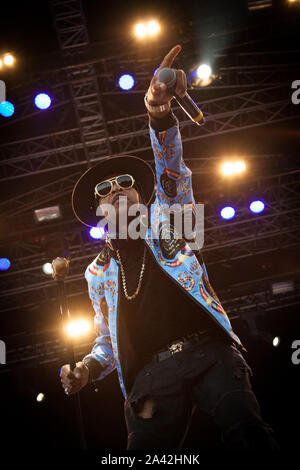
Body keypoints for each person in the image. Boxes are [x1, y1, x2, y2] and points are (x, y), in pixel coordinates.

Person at [60, 45, 279, 451]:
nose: (118, 190)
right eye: (105, 190)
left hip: (209, 350)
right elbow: (106, 342)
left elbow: (173, 170)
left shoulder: (171, 217)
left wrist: (158, 112)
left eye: (126, 183)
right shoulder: (97, 273)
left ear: (142, 197)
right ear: (98, 212)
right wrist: (87, 370)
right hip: (150, 376)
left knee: (248, 434)